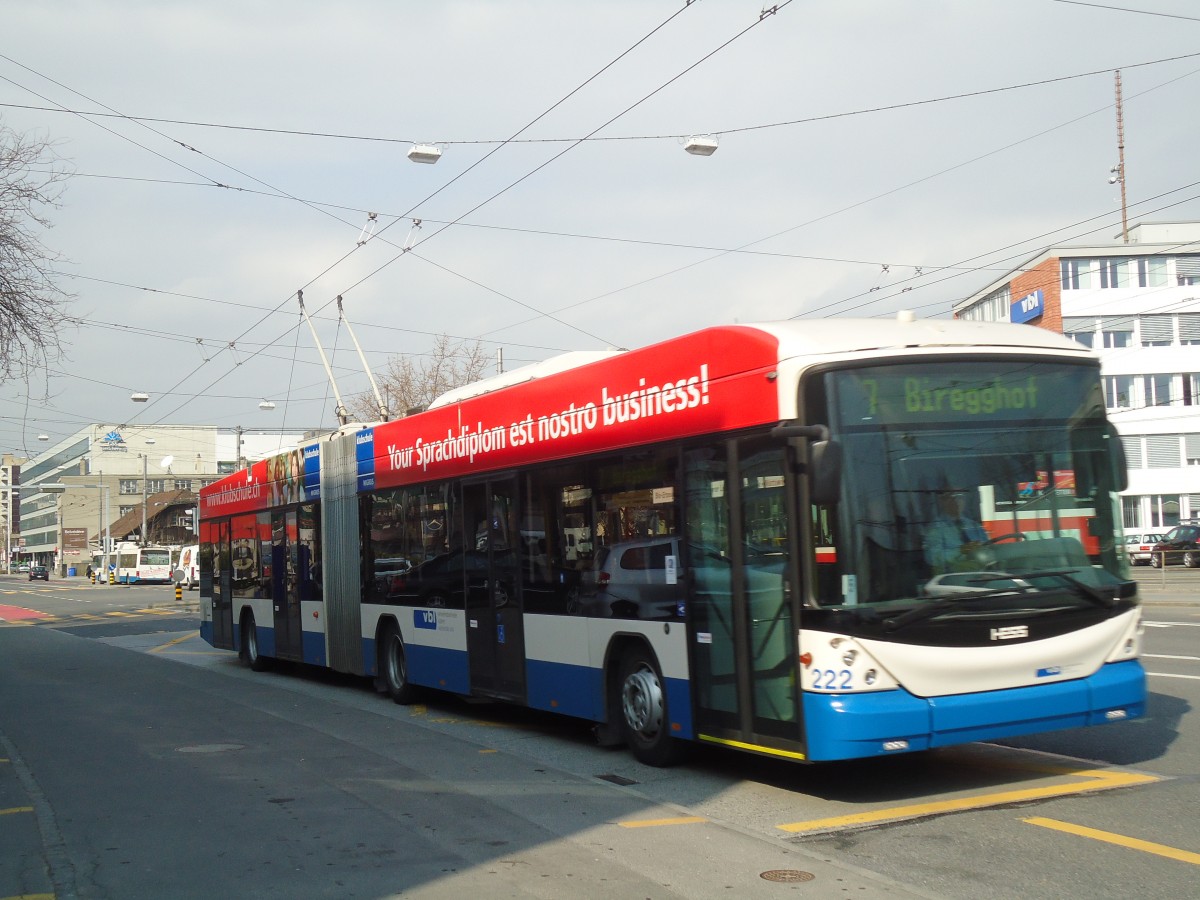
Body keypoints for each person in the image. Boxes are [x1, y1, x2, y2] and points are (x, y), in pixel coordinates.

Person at [923, 489, 990, 574]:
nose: (956, 501)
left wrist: (981, 548)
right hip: (952, 580)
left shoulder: (974, 526)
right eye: (951, 497)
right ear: (942, 502)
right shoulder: (935, 528)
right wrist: (960, 550)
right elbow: (932, 558)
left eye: (960, 497)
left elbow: (988, 548)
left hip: (982, 576)